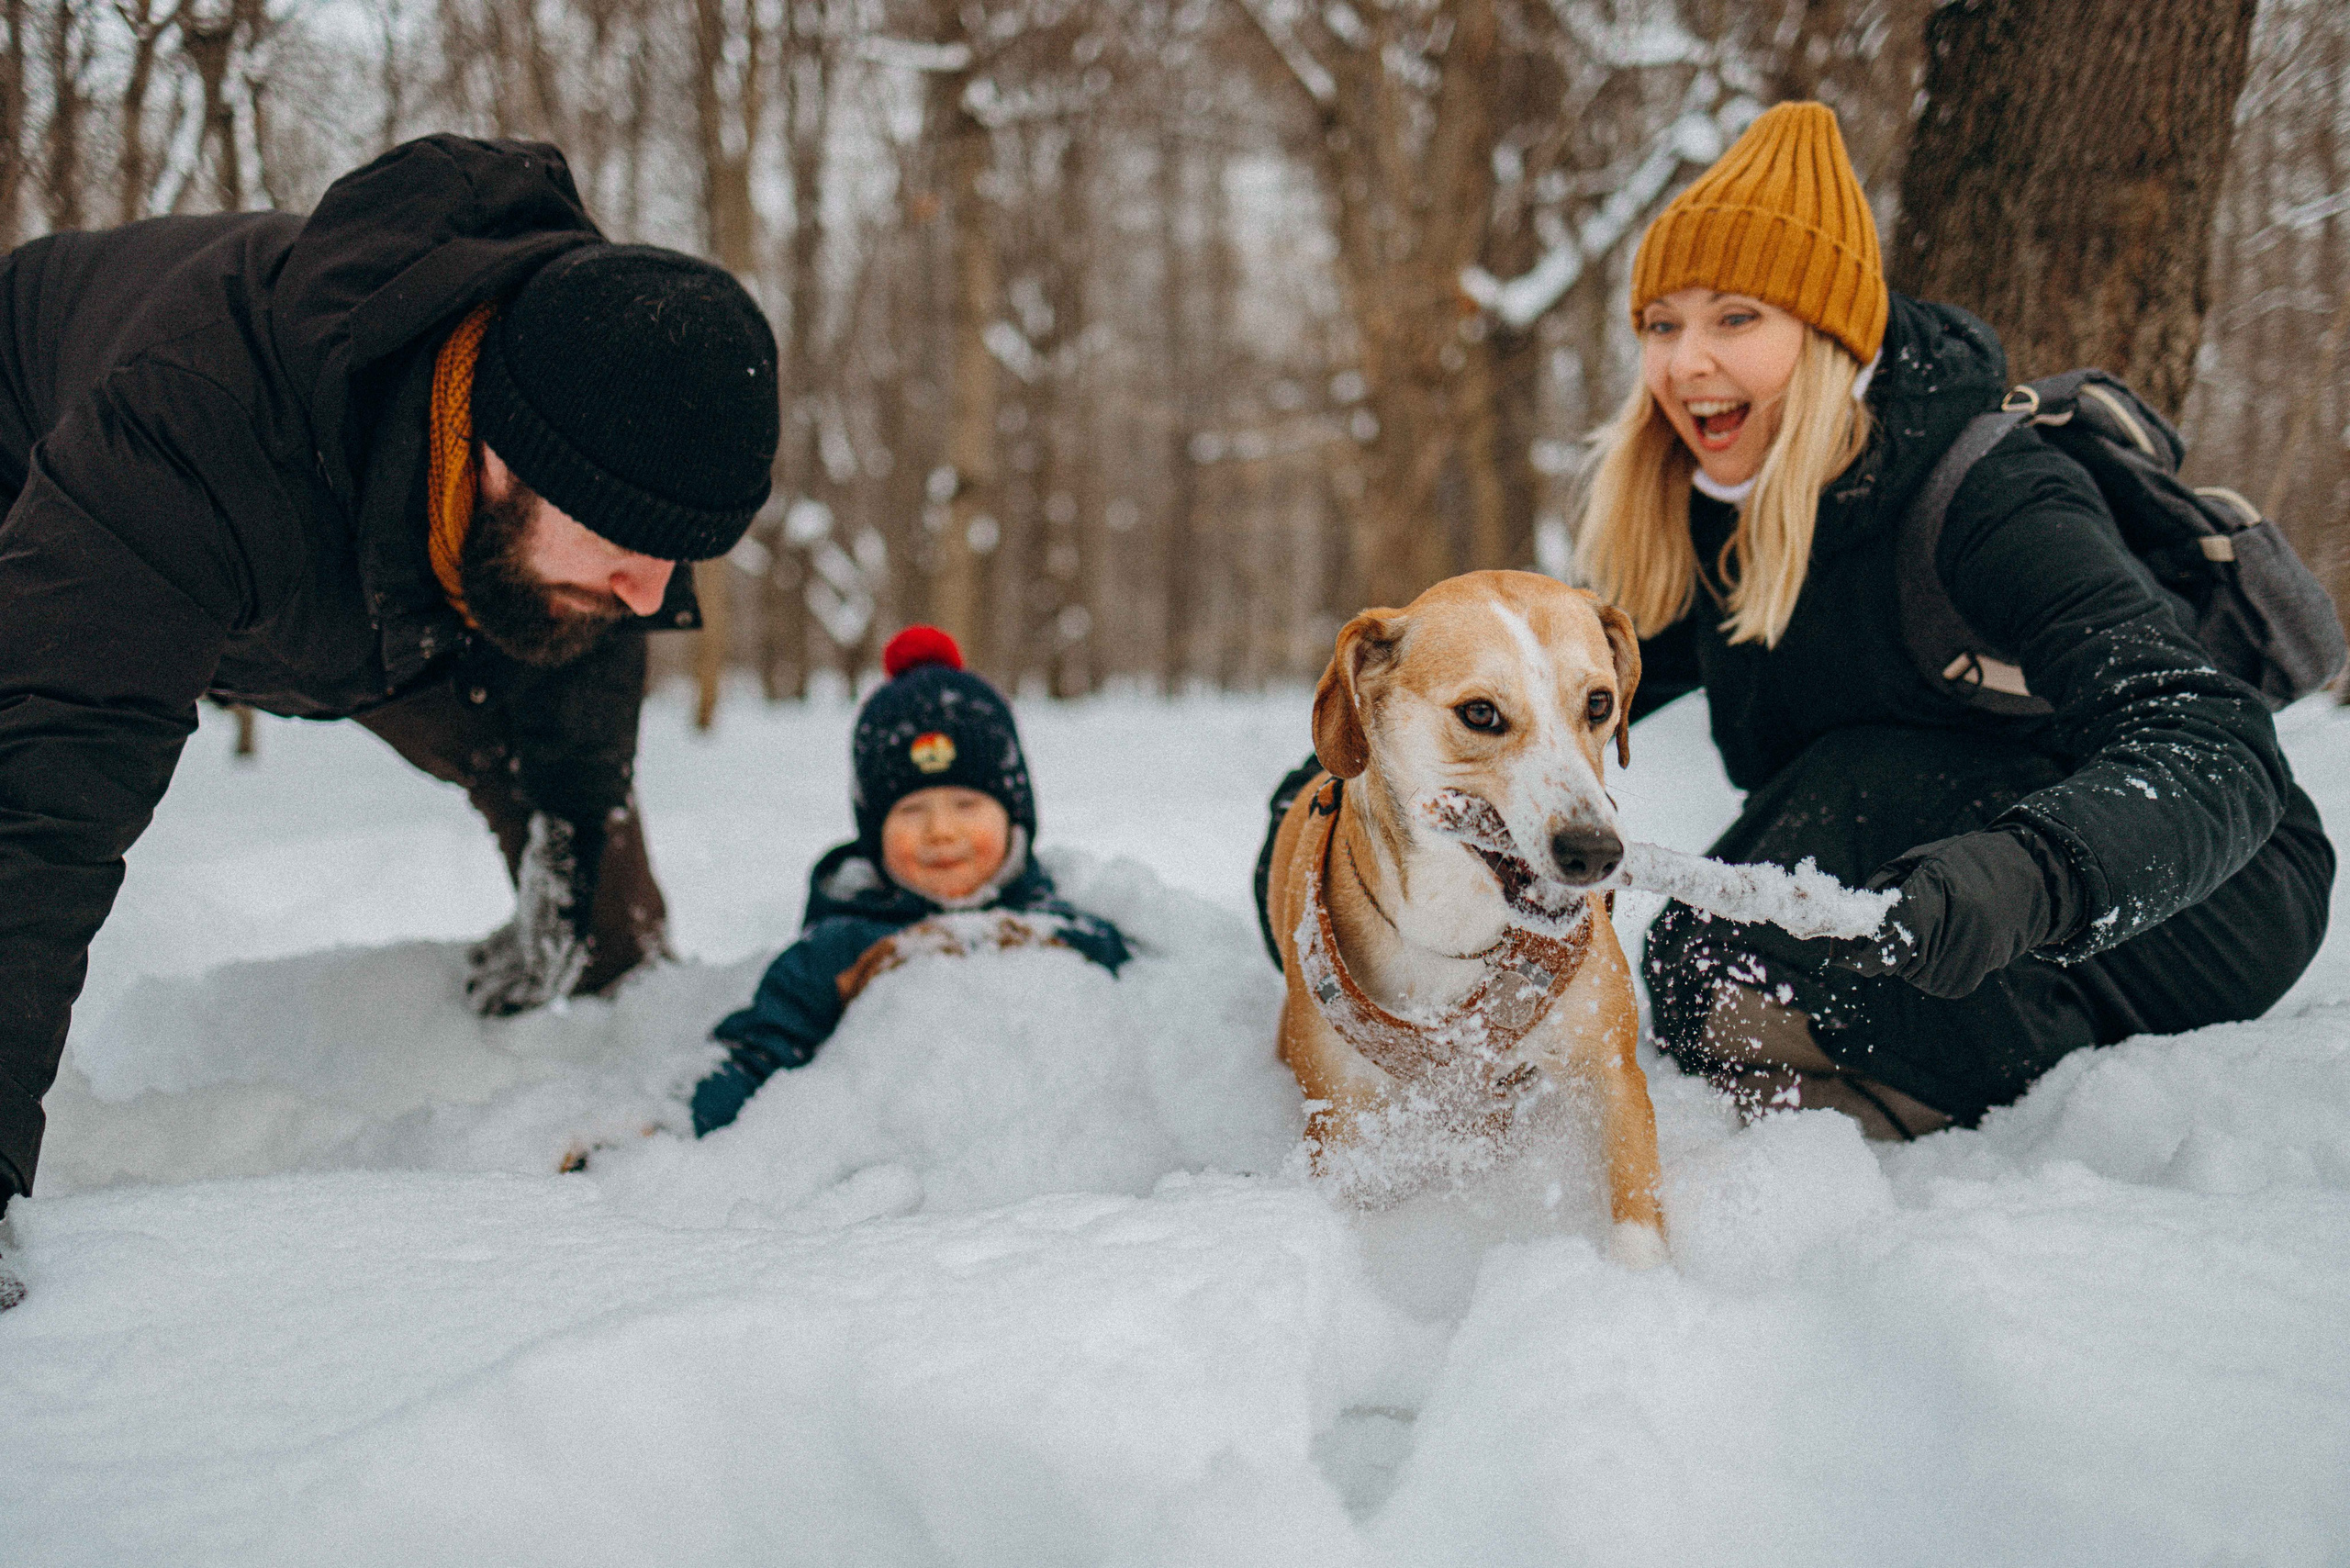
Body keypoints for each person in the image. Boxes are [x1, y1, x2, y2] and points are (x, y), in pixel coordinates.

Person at [0, 134, 782, 1215]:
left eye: (675, 554)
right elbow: (40, 794)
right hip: (49, 461)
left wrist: (571, 867)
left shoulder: (583, 434)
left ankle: (622, 1023)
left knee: (577, 741)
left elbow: (580, 689)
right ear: (504, 457)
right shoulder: (192, 425)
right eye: (625, 543)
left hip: (392, 571)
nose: (654, 596)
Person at [1574, 102, 2333, 1139]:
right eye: (1661, 325)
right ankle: (1868, 1086)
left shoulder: (1988, 496)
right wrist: (1353, 791)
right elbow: (1542, 688)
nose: (1685, 362)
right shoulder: (1722, 515)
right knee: (1698, 955)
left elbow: (2216, 747)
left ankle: (1959, 1103)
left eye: (1735, 318)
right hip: (1934, 867)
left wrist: (2032, 871)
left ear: (1831, 335)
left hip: (2194, 894)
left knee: (1827, 839)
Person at [686, 626, 1130, 1136]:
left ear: (1016, 818)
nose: (941, 831)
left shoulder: (1067, 929)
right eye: (912, 809)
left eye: (967, 805)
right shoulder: (837, 950)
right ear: (873, 833)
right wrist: (688, 1121)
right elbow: (759, 1052)